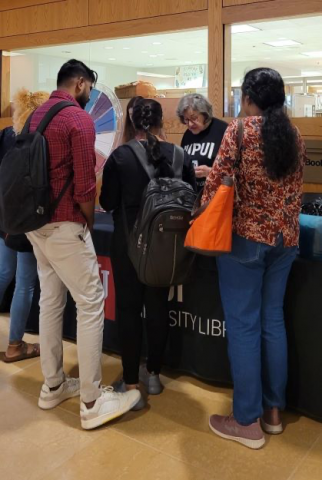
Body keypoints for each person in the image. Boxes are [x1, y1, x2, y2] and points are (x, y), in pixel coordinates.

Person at [26, 59, 140, 430]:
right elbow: (86, 184)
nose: (90, 95)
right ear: (78, 83)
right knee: (91, 302)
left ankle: (53, 384)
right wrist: (87, 222)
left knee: (50, 300)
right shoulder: (78, 119)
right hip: (64, 225)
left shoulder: (35, 115)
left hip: (34, 225)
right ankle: (92, 402)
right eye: (90, 87)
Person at [203, 68, 305, 449]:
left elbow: (216, 182)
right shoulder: (293, 135)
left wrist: (199, 212)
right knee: (272, 322)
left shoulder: (240, 129)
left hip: (246, 242)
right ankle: (274, 412)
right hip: (286, 241)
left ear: (247, 97)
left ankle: (246, 420)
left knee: (244, 327)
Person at [100, 98, 196, 408]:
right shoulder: (180, 156)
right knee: (158, 308)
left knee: (129, 311)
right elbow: (192, 200)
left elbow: (108, 200)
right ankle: (154, 375)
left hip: (128, 246)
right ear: (161, 122)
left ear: (131, 123)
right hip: (167, 249)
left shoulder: (120, 157)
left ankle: (131, 384)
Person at [1, 88, 50, 363]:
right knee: (25, 284)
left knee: (3, 273)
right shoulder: (39, 140)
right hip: (29, 219)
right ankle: (14, 345)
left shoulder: (8, 135)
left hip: (5, 215)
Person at [177, 93, 228, 192]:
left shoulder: (223, 130)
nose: (190, 124)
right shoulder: (187, 134)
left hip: (217, 194)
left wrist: (211, 172)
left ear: (205, 114)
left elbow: (235, 170)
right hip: (193, 195)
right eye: (186, 120)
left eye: (194, 118)